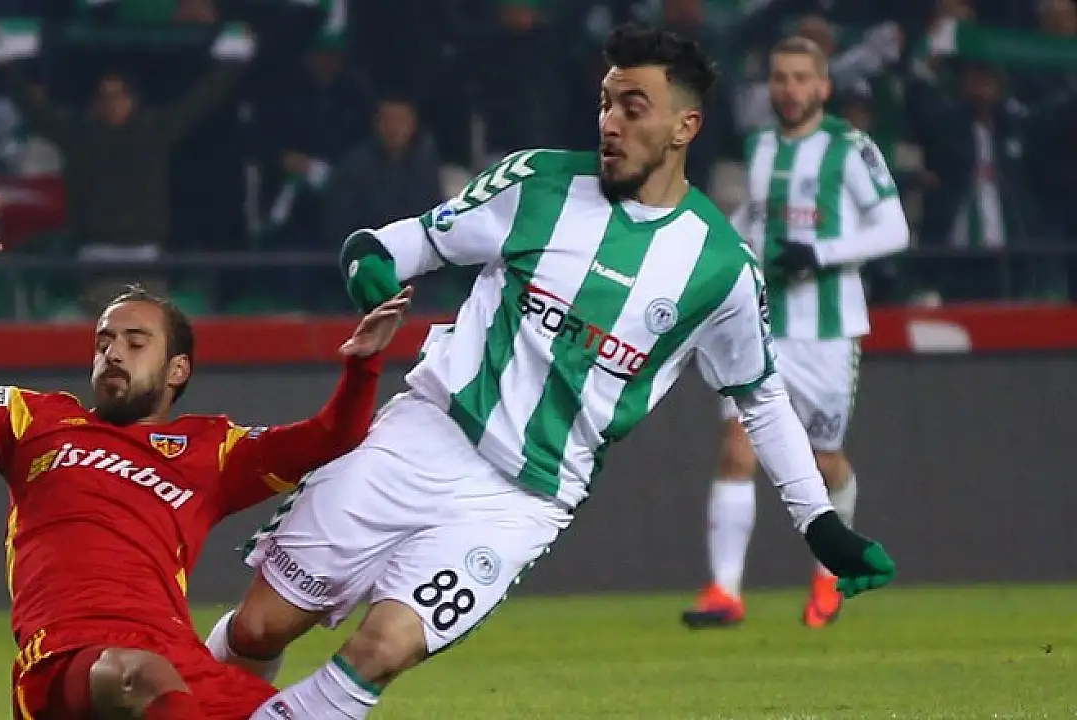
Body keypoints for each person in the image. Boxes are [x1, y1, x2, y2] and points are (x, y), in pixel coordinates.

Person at [205, 25, 897, 719]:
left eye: (633, 107)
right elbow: (402, 243)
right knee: (261, 628)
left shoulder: (721, 267)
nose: (610, 122)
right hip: (421, 437)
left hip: (522, 500)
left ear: (685, 126)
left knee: (381, 649)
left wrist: (819, 523)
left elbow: (762, 399)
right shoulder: (536, 183)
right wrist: (370, 269)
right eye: (606, 102)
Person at [0, 183, 412, 719]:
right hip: (69, 661)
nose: (113, 353)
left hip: (178, 664)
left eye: (135, 342)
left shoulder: (212, 451)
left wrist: (364, 363)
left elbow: (331, 436)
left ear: (178, 370)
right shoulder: (34, 421)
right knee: (141, 675)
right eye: (104, 341)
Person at [681, 36, 909, 631]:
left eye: (802, 78)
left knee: (823, 461)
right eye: (780, 78)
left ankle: (831, 573)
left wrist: (821, 253)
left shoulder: (851, 148)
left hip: (827, 334)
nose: (790, 89)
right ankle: (724, 591)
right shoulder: (759, 146)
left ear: (823, 86)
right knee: (737, 446)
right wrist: (718, 247)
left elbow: (893, 228)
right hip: (761, 329)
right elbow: (753, 220)